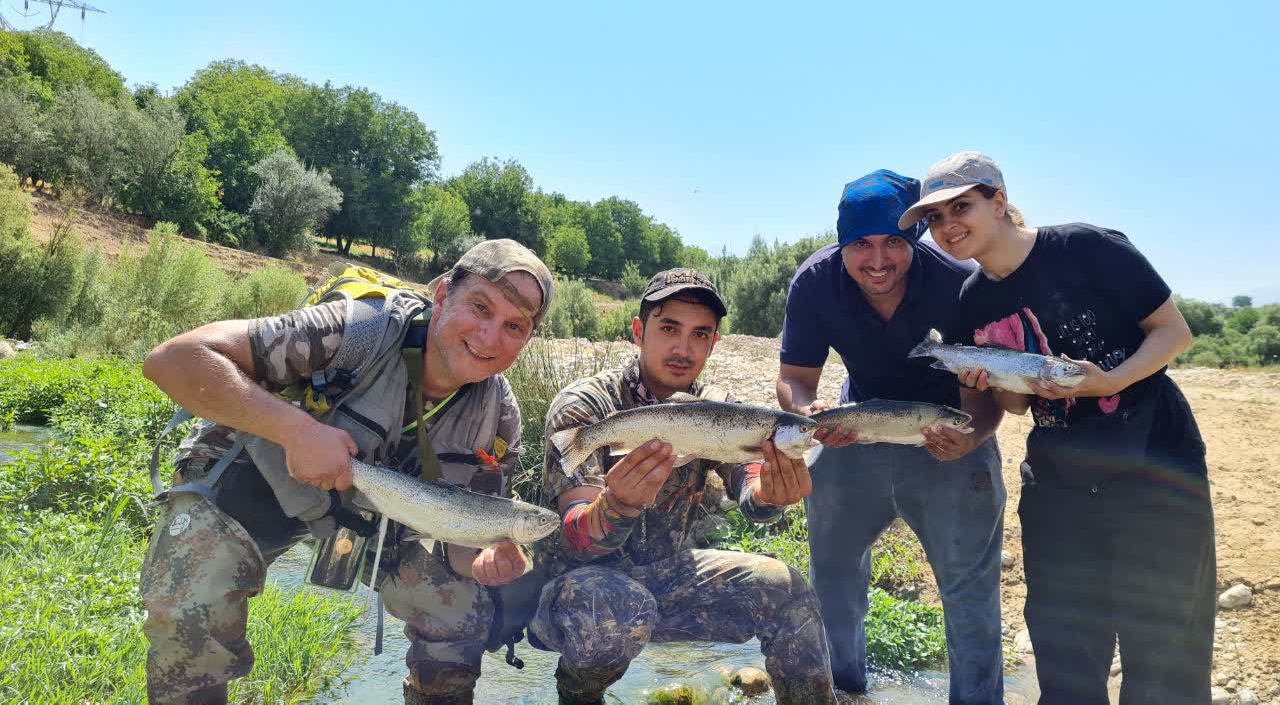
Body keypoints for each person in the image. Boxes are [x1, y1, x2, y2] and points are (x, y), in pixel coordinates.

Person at [139, 239, 554, 705]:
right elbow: (173, 360)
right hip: (255, 474)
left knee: (461, 609)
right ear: (441, 296)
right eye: (480, 307)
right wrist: (294, 430)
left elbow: (460, 553)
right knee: (191, 601)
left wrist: (485, 560)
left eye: (514, 326)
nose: (490, 336)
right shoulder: (359, 328)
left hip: (373, 516)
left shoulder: (499, 417)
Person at [904, 151, 1215, 704]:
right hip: (1059, 481)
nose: (948, 226)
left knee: (1166, 645)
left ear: (999, 203)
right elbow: (1014, 406)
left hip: (1157, 467)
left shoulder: (1086, 247)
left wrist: (1108, 381)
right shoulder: (968, 303)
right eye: (934, 218)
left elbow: (1173, 332)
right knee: (1065, 647)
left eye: (962, 207)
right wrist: (978, 412)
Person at [531, 268, 838, 705]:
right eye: (669, 328)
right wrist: (615, 507)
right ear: (639, 331)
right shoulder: (586, 406)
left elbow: (748, 486)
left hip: (670, 580)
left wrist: (770, 495)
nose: (683, 348)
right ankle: (577, 696)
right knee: (618, 602)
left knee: (787, 588)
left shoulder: (718, 407)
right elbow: (576, 536)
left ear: (713, 343)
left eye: (700, 334)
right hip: (579, 595)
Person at [776, 169, 1007, 704]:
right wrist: (809, 411)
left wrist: (972, 440)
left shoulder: (960, 283)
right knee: (832, 583)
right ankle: (843, 692)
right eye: (861, 245)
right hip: (856, 430)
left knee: (969, 596)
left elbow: (986, 397)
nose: (878, 261)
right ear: (842, 243)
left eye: (893, 244)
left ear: (915, 237)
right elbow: (794, 380)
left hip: (950, 432)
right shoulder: (815, 281)